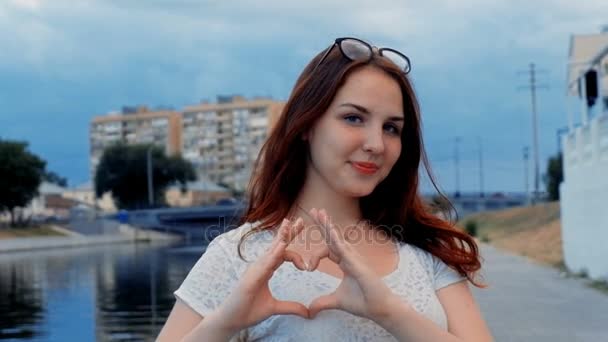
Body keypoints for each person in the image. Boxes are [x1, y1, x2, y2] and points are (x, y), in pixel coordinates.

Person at [157, 37, 493, 341]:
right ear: (307, 124)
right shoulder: (237, 255)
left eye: (391, 128)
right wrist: (224, 323)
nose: (376, 144)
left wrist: (389, 312)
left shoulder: (427, 252)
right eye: (353, 118)